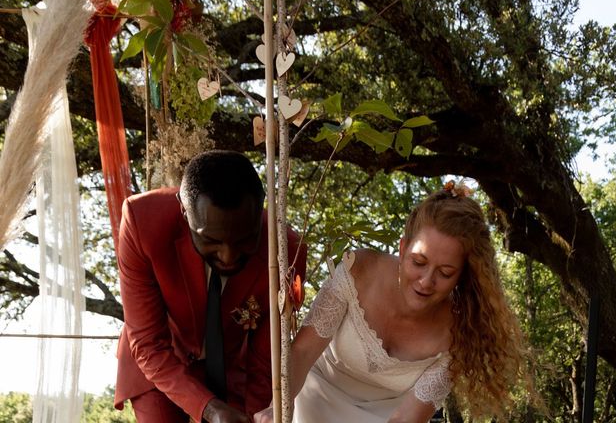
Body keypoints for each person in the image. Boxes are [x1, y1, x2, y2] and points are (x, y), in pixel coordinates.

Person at [254, 181, 535, 423]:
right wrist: (277, 409)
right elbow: (301, 353)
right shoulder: (359, 271)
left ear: (462, 275)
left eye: (445, 273)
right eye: (419, 262)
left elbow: (406, 418)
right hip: (311, 401)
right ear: (402, 248)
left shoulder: (460, 333)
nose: (426, 281)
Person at [114, 150, 307, 423]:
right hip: (161, 364)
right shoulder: (141, 221)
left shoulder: (288, 252)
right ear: (184, 210)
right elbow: (149, 344)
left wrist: (258, 416)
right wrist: (210, 409)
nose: (228, 256)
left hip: (233, 368)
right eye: (212, 241)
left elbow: (264, 361)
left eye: (244, 241)